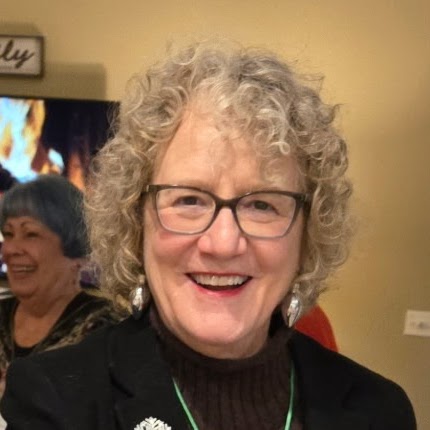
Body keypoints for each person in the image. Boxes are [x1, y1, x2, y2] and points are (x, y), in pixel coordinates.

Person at [0, 41, 416, 430]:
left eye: (262, 205)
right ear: (134, 223)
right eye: (189, 200)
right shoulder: (53, 400)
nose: (223, 243)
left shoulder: (378, 411)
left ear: (307, 236)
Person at [0, 174, 121, 400]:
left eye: (30, 234)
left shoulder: (107, 328)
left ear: (73, 248)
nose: (11, 250)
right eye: (8, 234)